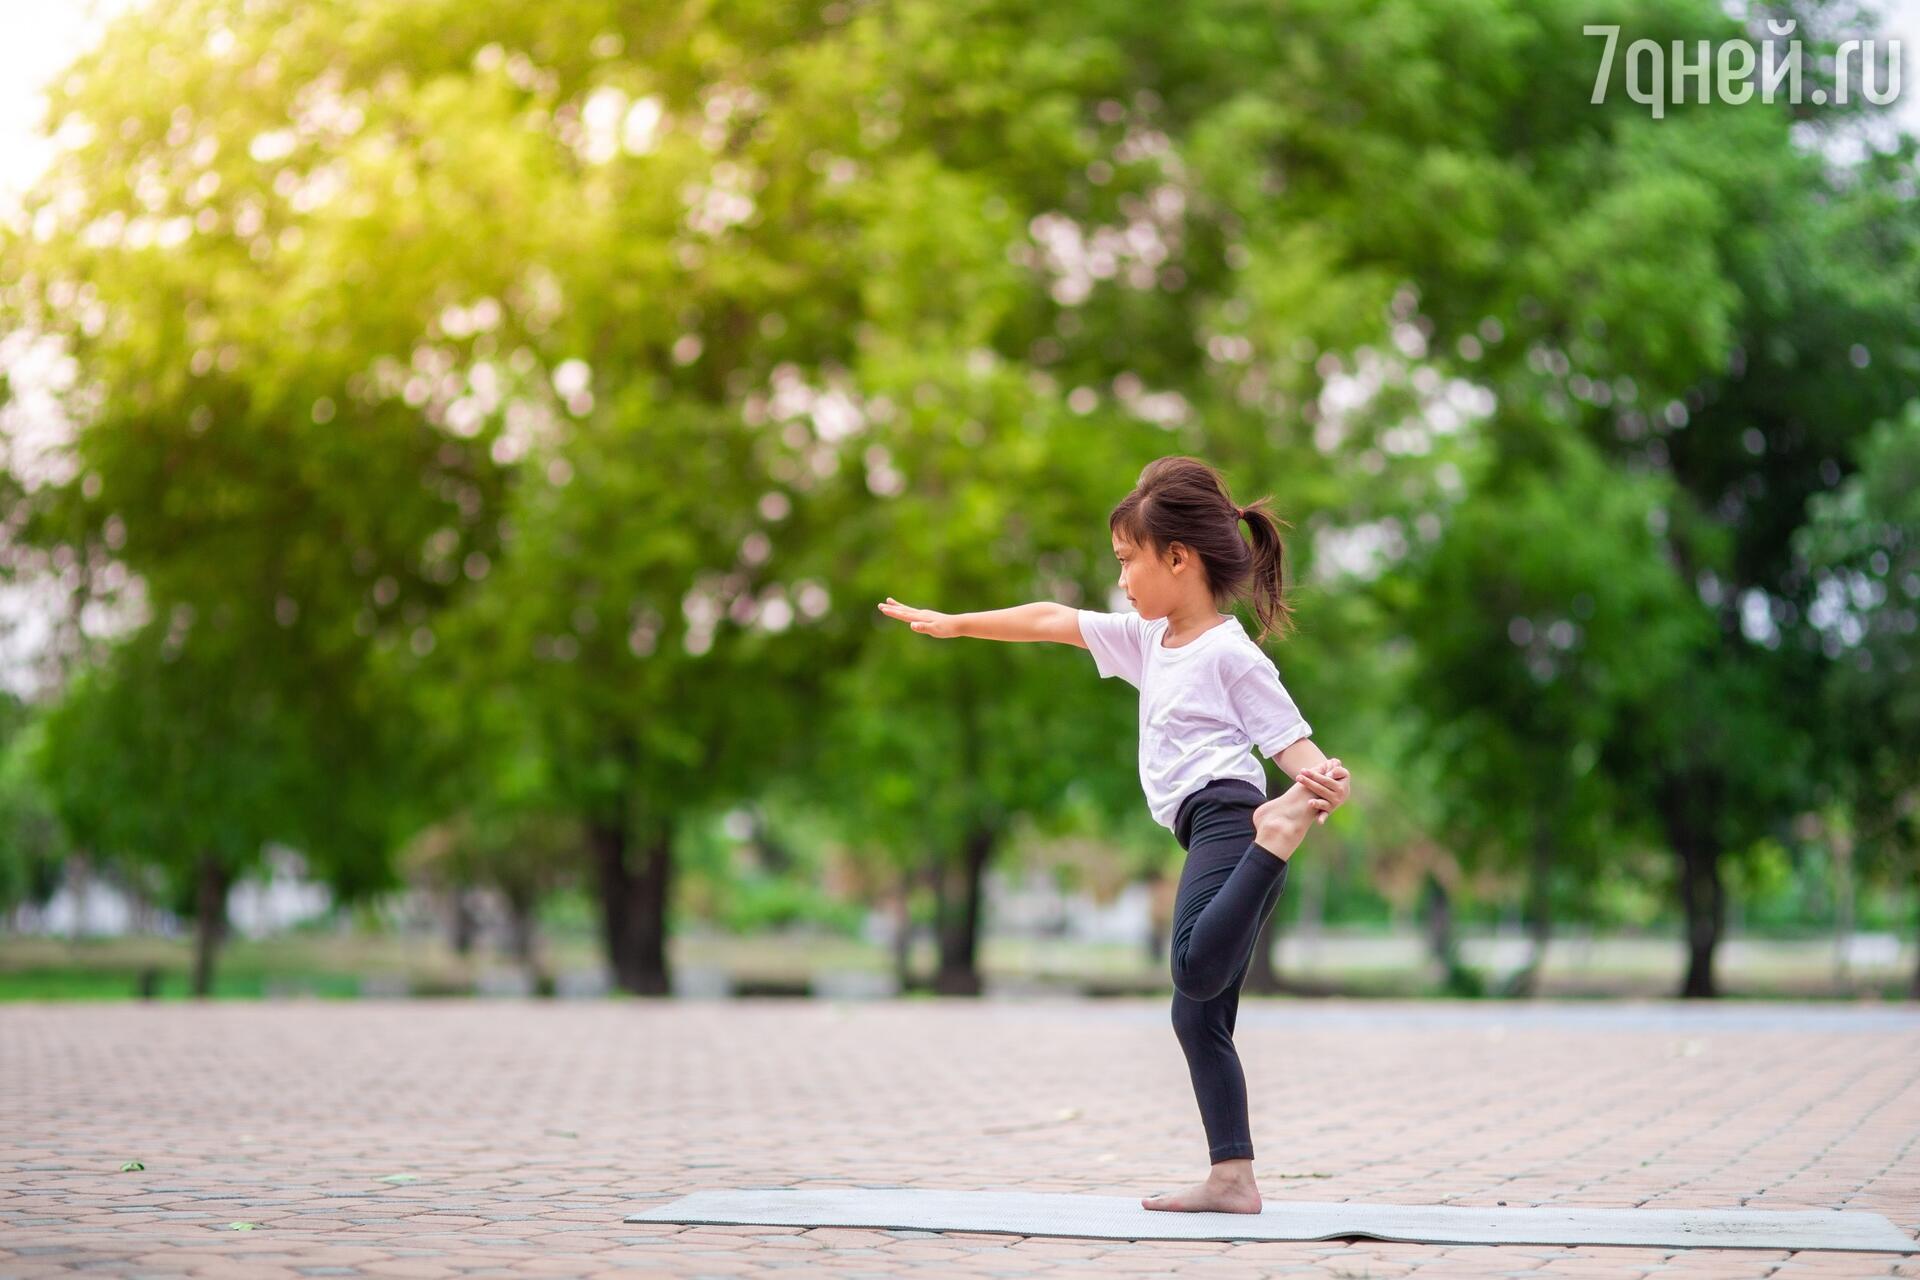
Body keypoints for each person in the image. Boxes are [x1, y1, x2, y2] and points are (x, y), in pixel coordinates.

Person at [877, 454, 1352, 1215]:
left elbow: (1290, 742)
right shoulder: (1146, 642)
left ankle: (1280, 835)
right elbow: (1052, 619)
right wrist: (960, 623)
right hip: (1213, 828)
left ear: (1178, 557)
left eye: (1129, 562)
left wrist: (1313, 784)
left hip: (1231, 820)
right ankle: (1233, 1179)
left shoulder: (1229, 651)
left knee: (1193, 971)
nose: (1123, 580)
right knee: (1197, 1014)